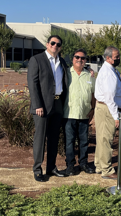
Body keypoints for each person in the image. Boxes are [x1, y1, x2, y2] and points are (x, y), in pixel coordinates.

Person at [27, 35, 68, 182]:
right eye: (53, 43)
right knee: (40, 137)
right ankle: (37, 169)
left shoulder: (62, 62)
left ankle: (51, 167)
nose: (55, 46)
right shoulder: (37, 60)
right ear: (47, 44)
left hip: (58, 104)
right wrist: (37, 104)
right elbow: (33, 84)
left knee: (54, 138)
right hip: (42, 106)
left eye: (58, 44)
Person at [94, 46, 121, 179]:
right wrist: (115, 116)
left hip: (104, 107)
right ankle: (107, 170)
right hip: (108, 109)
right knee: (106, 139)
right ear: (108, 58)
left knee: (102, 138)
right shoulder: (108, 73)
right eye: (116, 57)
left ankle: (99, 165)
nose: (118, 59)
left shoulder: (111, 70)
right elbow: (109, 97)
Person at [63, 49, 96, 176]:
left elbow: (93, 94)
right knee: (69, 142)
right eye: (77, 57)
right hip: (68, 114)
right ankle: (70, 166)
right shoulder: (66, 74)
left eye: (83, 58)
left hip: (84, 114)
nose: (80, 60)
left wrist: (92, 109)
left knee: (84, 141)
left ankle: (83, 163)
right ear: (73, 59)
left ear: (85, 61)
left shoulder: (89, 76)